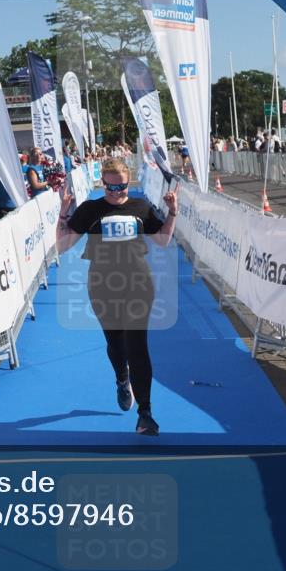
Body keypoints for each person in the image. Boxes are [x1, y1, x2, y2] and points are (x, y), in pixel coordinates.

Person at [56, 158, 178, 436]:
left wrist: (172, 213)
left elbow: (162, 240)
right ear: (103, 184)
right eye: (111, 187)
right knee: (115, 344)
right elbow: (62, 246)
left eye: (122, 186)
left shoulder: (141, 207)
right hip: (102, 286)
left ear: (128, 182)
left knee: (138, 346)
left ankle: (145, 413)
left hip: (138, 284)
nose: (116, 192)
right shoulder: (90, 209)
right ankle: (122, 377)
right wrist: (63, 213)